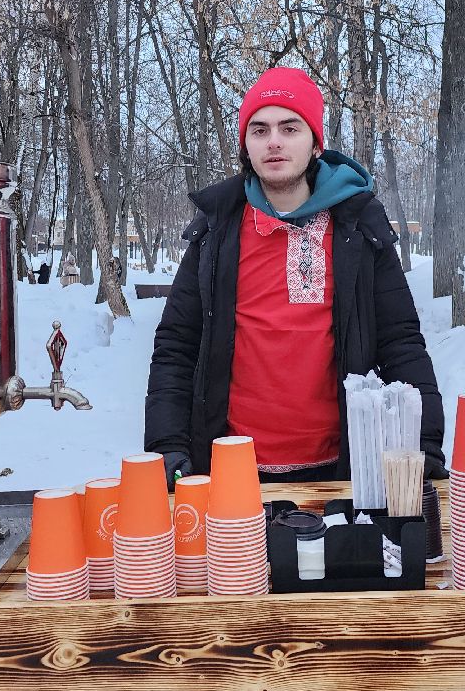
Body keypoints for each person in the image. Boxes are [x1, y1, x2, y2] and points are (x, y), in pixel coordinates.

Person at [145, 65, 446, 486]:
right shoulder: (216, 230)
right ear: (245, 145)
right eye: (259, 130)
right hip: (230, 470)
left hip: (342, 472)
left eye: (290, 128)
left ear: (315, 143)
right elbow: (177, 346)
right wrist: (166, 445)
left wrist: (424, 444)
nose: (273, 142)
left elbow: (401, 344)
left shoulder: (358, 229)